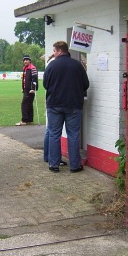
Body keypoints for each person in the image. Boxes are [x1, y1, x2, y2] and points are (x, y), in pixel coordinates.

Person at [43, 41, 89, 173]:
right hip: (74, 104)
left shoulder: (52, 66)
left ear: (60, 51)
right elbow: (86, 84)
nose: (53, 53)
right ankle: (75, 165)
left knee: (54, 134)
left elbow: (46, 84)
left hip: (54, 105)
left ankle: (54, 164)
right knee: (73, 134)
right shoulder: (77, 65)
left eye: (54, 51)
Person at [43, 53, 67, 167]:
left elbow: (45, 84)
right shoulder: (55, 64)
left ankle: (49, 157)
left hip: (52, 101)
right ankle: (53, 158)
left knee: (51, 131)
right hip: (57, 101)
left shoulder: (51, 65)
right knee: (53, 132)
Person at [16, 55, 38, 126]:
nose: (25, 61)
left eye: (27, 60)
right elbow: (25, 79)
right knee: (29, 104)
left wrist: (33, 89)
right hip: (26, 89)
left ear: (30, 61)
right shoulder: (25, 68)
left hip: (30, 90)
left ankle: (24, 120)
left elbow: (35, 79)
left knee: (24, 104)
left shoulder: (32, 68)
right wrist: (23, 88)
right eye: (24, 60)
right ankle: (29, 120)